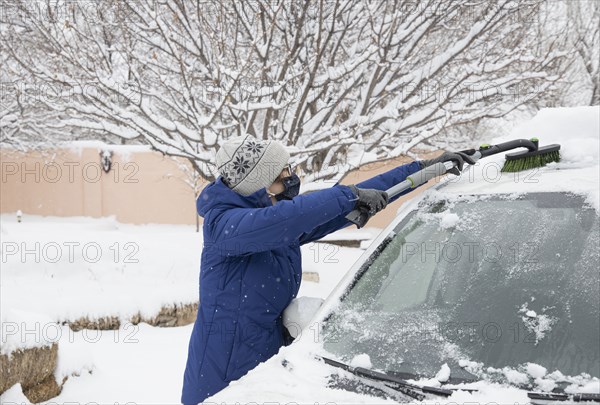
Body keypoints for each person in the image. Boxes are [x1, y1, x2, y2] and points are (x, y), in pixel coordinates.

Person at [181, 135, 473, 404]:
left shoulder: (269, 223)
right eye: (284, 170)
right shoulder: (225, 226)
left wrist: (423, 168)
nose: (291, 175)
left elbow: (330, 208)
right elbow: (291, 217)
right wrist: (350, 195)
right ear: (262, 182)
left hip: (263, 367)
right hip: (221, 379)